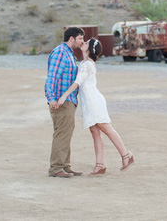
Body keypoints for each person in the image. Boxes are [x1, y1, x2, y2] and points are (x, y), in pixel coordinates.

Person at [57, 38, 134, 175]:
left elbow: (77, 82)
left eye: (86, 43)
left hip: (94, 101)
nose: (83, 43)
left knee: (106, 128)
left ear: (90, 48)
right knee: (95, 132)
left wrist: (63, 96)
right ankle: (100, 165)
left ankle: (126, 155)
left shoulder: (87, 64)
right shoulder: (84, 62)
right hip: (88, 102)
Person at [45, 26, 85, 178]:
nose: (82, 41)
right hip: (61, 102)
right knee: (62, 134)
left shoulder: (68, 53)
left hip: (69, 101)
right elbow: (51, 77)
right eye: (80, 38)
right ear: (72, 38)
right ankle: (56, 168)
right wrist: (51, 99)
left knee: (66, 133)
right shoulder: (60, 52)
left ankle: (65, 166)